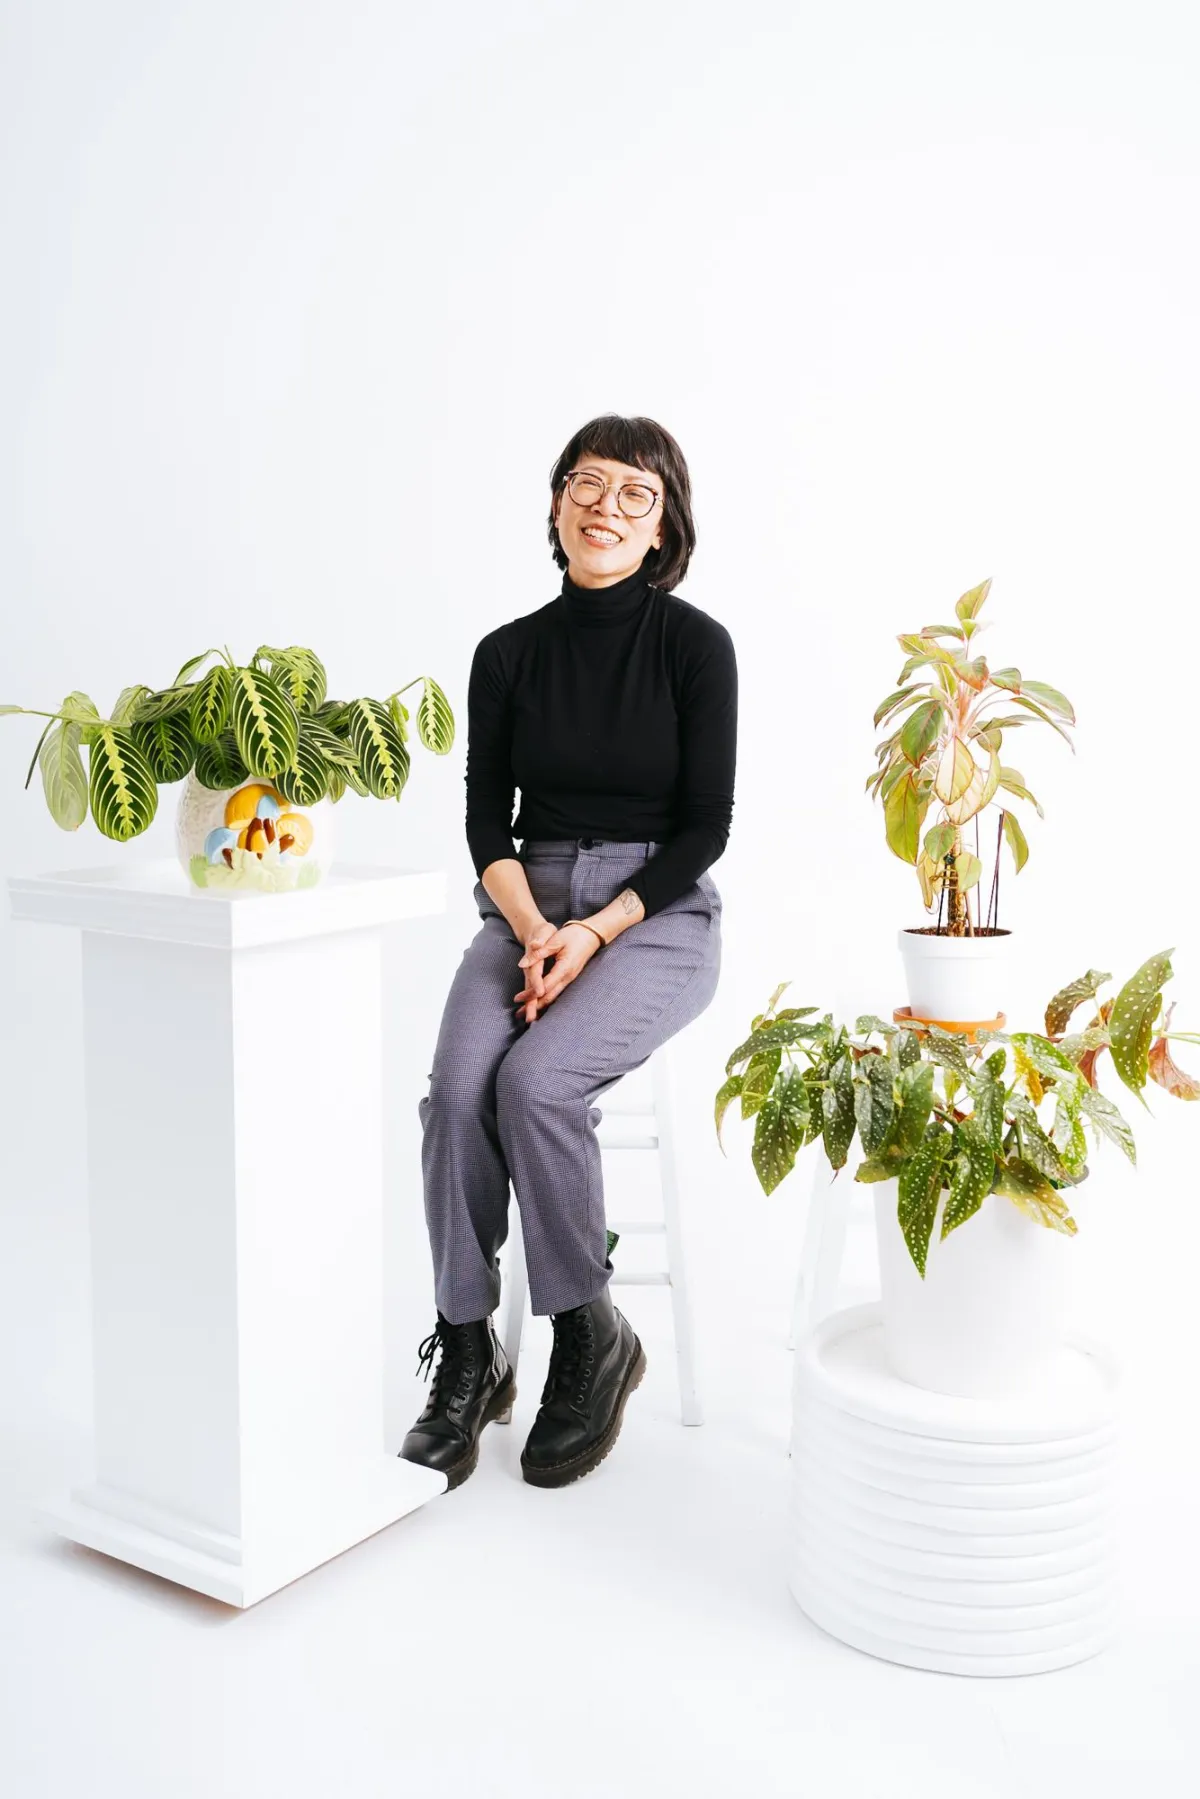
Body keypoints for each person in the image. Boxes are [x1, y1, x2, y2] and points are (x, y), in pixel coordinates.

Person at [400, 414, 738, 1491]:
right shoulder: (507, 654)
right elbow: (484, 823)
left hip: (655, 913)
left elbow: (706, 828)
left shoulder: (696, 647)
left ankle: (590, 1330)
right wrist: (540, 926)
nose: (606, 507)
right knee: (459, 1090)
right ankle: (468, 1349)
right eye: (587, 483)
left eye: (636, 493)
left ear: (663, 527)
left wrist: (594, 929)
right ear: (556, 503)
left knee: (535, 1082)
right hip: (524, 903)